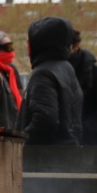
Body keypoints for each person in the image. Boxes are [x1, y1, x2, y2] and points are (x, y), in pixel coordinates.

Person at [17, 16, 83, 145]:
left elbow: (45, 120)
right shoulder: (66, 68)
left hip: (44, 157)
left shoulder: (43, 73)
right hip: (67, 154)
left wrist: (19, 140)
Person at [68, 30, 97, 146]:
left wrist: (86, 128)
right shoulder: (57, 71)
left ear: (76, 46)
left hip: (89, 143)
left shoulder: (94, 72)